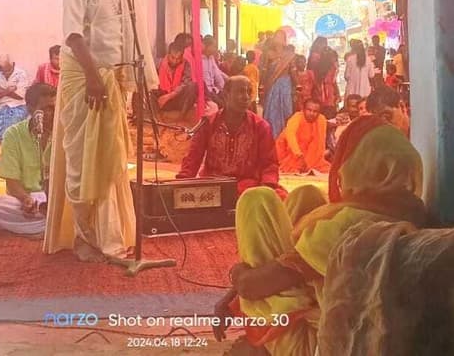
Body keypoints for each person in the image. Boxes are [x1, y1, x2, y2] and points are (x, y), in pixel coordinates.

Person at [212, 117, 427, 355]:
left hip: (317, 345)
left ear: (366, 166)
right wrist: (232, 298)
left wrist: (236, 274)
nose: (342, 167)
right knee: (307, 196)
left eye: (349, 156)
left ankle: (269, 338)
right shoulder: (413, 213)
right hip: (361, 332)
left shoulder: (350, 224)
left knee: (256, 200)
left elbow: (251, 286)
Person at [44, 0, 158, 263]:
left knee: (111, 160)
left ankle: (110, 236)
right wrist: (94, 78)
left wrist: (139, 82)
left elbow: (132, 34)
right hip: (86, 79)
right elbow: (72, 33)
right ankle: (84, 236)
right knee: (83, 160)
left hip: (115, 81)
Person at [176, 77, 286, 198]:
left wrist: (267, 187)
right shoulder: (208, 123)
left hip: (248, 188)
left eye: (249, 92)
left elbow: (269, 164)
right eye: (240, 91)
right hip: (213, 187)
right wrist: (180, 184)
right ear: (226, 94)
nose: (246, 97)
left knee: (281, 198)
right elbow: (192, 159)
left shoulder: (261, 126)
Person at [0, 83, 56, 235]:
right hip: (29, 200)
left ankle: (47, 227)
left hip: (57, 200)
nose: (51, 113)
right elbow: (12, 182)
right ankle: (54, 228)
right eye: (45, 109)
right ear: (30, 109)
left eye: (54, 108)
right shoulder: (13, 134)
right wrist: (25, 200)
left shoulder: (65, 133)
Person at [0, 54, 29, 155]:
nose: (4, 73)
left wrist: (0, 90)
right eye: (2, 70)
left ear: (13, 65)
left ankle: (5, 146)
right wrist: (9, 90)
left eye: (7, 70)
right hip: (2, 106)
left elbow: (20, 96)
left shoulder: (21, 74)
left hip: (19, 105)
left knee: (13, 119)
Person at [276, 98, 330, 175]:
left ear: (319, 112)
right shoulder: (297, 117)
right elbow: (290, 135)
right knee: (292, 169)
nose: (312, 113)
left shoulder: (321, 120)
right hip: (291, 155)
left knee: (328, 170)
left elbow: (320, 144)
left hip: (312, 159)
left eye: (315, 111)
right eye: (309, 110)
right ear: (303, 110)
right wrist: (299, 156)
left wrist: (309, 162)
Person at [261, 29, 295, 138]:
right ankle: (272, 136)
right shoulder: (268, 53)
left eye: (281, 38)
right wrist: (261, 86)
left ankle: (284, 136)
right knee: (272, 111)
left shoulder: (289, 55)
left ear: (285, 40)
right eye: (277, 37)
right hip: (272, 85)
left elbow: (293, 72)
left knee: (286, 110)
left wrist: (298, 87)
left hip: (285, 86)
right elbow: (264, 70)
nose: (279, 40)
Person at [155, 41, 196, 117]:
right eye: (173, 57)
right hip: (161, 97)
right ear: (168, 54)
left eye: (178, 58)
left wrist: (169, 96)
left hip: (178, 99)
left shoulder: (186, 64)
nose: (175, 61)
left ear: (182, 56)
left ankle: (181, 115)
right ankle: (157, 115)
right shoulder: (159, 63)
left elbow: (185, 83)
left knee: (193, 86)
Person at [307, 37, 339, 118]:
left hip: (322, 96)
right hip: (324, 96)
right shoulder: (316, 58)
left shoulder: (326, 64)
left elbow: (333, 81)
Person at [202, 34, 227, 107]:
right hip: (206, 92)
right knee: (223, 105)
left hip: (214, 90)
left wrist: (228, 80)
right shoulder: (199, 60)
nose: (215, 49)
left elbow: (218, 74)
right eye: (213, 46)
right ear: (206, 46)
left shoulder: (211, 58)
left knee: (230, 100)